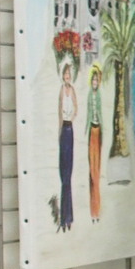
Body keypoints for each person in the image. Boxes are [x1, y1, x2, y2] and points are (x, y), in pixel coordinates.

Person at [57, 61, 77, 231]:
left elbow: (76, 108)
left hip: (70, 129)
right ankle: (65, 217)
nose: (67, 77)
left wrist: (72, 117)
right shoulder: (61, 91)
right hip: (64, 129)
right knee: (63, 174)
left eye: (69, 75)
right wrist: (59, 131)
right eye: (65, 74)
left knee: (68, 175)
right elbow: (59, 112)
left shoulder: (73, 90)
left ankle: (67, 217)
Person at [87, 63, 104, 223]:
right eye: (93, 81)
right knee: (92, 171)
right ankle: (93, 212)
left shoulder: (98, 96)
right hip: (91, 132)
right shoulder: (89, 96)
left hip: (98, 132)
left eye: (96, 81)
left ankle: (96, 211)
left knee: (96, 171)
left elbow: (99, 114)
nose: (94, 83)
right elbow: (88, 114)